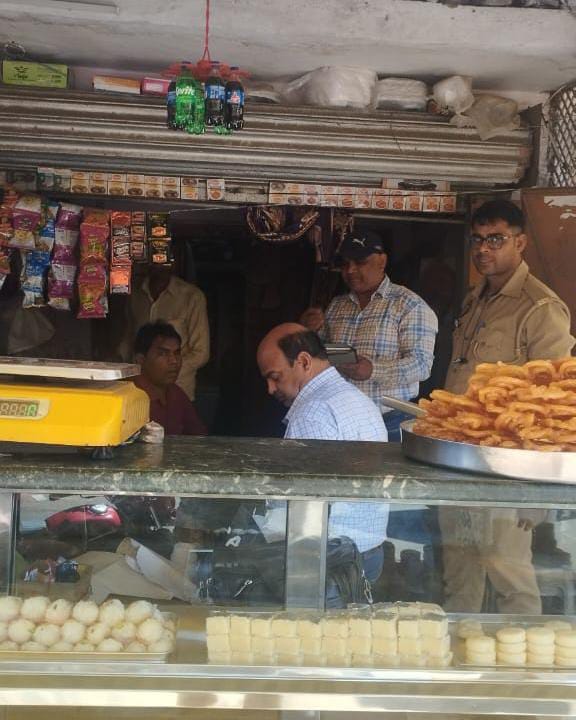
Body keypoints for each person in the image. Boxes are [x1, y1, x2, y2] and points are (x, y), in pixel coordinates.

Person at [440, 199, 575, 614]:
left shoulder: (540, 308)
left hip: (508, 468)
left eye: (495, 239)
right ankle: (462, 647)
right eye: (477, 239)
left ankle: (522, 652)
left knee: (508, 573)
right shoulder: (476, 298)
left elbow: (557, 403)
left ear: (520, 242)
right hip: (460, 460)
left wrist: (537, 494)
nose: (483, 249)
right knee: (460, 570)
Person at [257, 322, 389, 605]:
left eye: (275, 377)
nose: (270, 389)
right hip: (369, 552)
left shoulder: (313, 412)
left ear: (304, 362)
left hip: (330, 562)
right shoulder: (358, 399)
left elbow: (306, 503)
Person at [301, 231, 438, 441]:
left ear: (382, 261)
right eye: (345, 264)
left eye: (360, 262)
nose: (350, 270)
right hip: (340, 418)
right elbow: (325, 355)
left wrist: (373, 370)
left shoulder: (410, 305)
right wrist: (310, 332)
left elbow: (421, 365)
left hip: (390, 421)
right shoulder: (337, 306)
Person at [124, 265, 209, 401]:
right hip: (139, 391)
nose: (160, 260)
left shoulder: (191, 296)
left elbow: (201, 353)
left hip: (179, 390)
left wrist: (164, 370)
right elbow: (128, 341)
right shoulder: (135, 294)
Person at [133, 321, 206, 436]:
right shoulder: (128, 397)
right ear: (140, 359)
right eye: (163, 354)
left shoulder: (176, 393)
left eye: (177, 353)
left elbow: (199, 437)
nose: (174, 361)